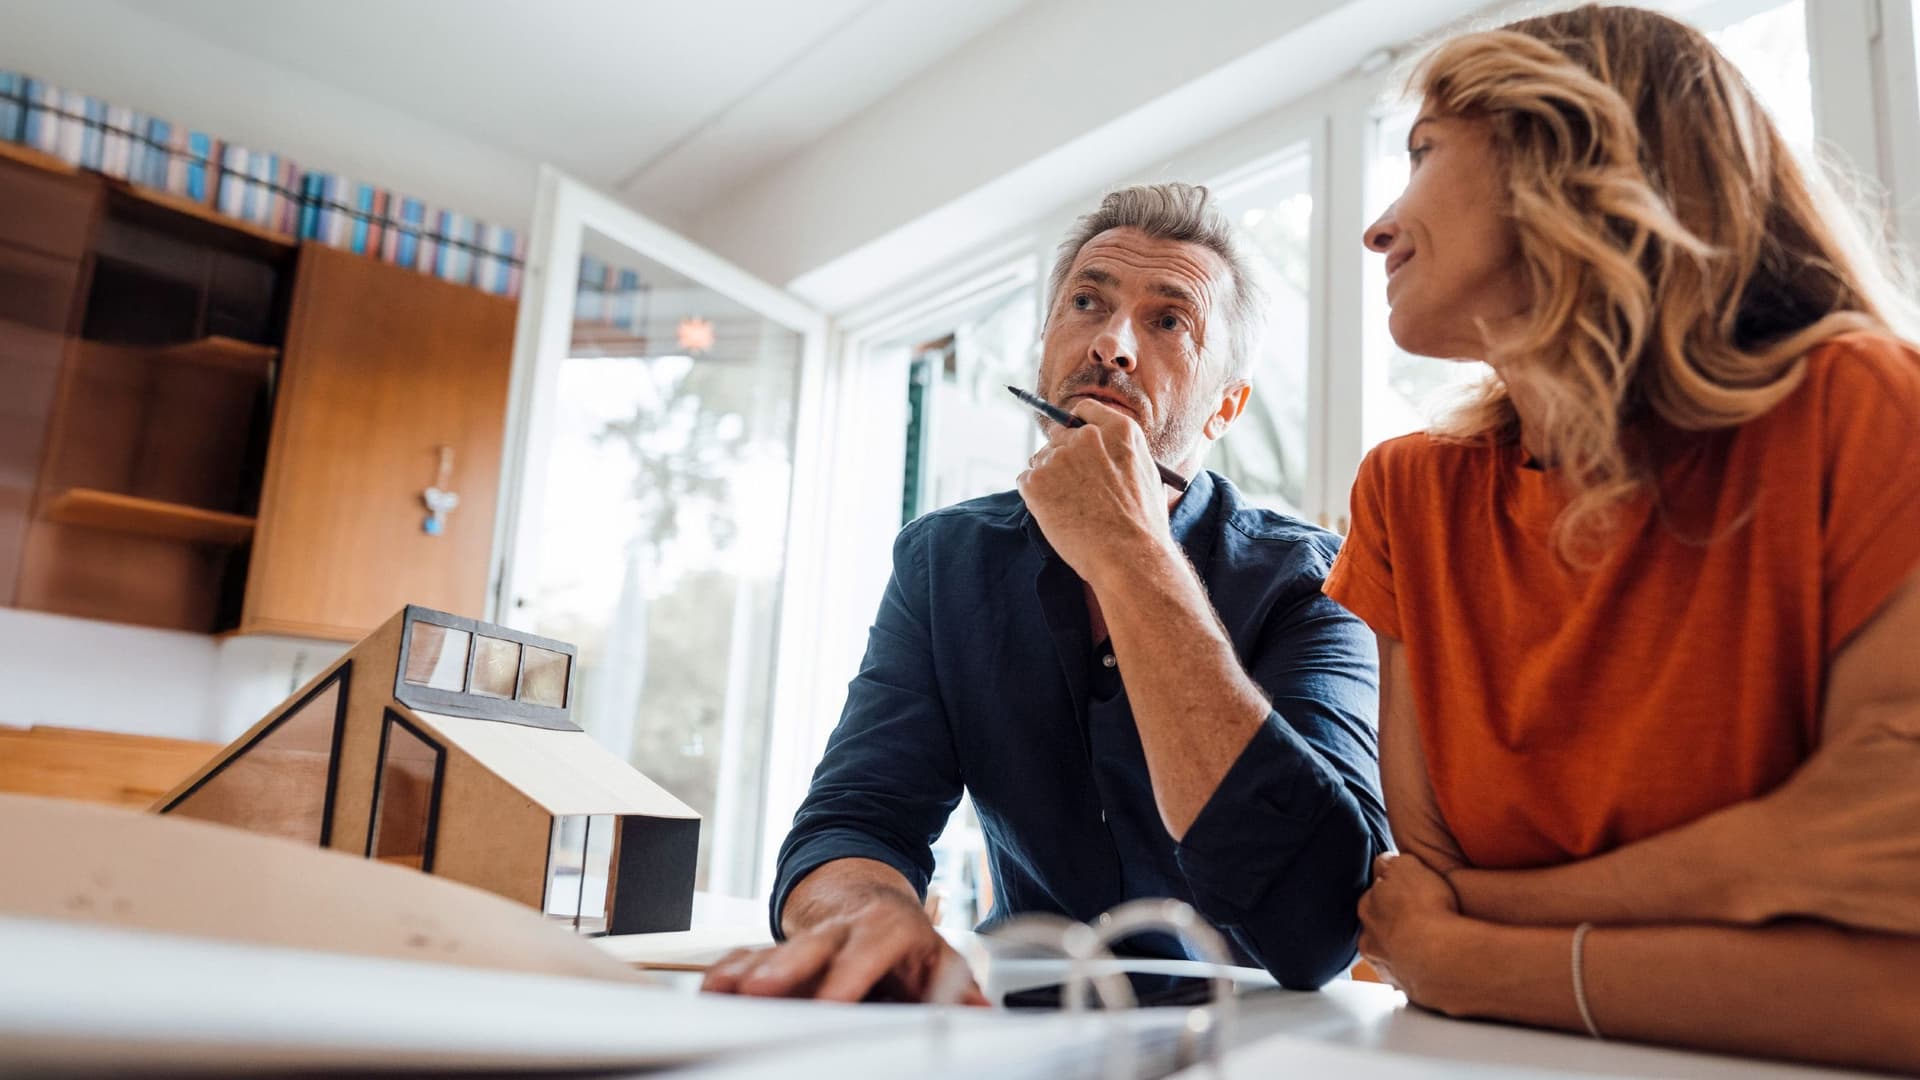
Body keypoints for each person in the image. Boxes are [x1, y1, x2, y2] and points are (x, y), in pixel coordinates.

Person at [1328, 5, 1920, 1073]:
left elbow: (1897, 991)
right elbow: (1422, 899)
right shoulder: (1407, 498)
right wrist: (1762, 866)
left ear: (1568, 157)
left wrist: (1471, 957)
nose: (1379, 225)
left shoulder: (1858, 410)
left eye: (1423, 154)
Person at [703, 183, 1387, 1003]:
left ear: (1226, 407)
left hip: (1256, 1040)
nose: (1111, 343)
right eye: (1087, 302)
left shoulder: (1317, 580)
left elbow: (1321, 922)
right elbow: (858, 819)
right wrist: (864, 912)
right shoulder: (942, 561)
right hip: (1019, 1020)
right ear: (1043, 349)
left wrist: (1131, 553)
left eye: (1168, 321)